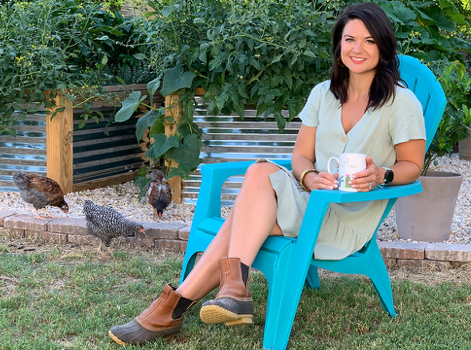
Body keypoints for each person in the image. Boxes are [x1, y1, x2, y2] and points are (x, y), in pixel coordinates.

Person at [108, 2, 426, 346]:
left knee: (242, 214)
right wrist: (308, 178)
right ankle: (221, 292)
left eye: (369, 41)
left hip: (346, 218)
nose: (358, 49)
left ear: (384, 46)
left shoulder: (400, 102)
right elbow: (301, 157)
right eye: (350, 39)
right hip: (310, 200)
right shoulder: (324, 94)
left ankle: (178, 306)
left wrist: (382, 175)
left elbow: (412, 165)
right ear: (338, 46)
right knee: (258, 175)